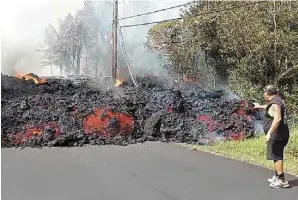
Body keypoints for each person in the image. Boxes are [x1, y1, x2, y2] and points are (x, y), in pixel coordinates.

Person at [253, 85, 290, 188]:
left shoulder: (275, 103)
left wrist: (269, 133)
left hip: (277, 134)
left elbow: (277, 118)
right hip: (280, 133)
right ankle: (277, 175)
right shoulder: (277, 100)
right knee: (275, 154)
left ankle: (282, 180)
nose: (264, 95)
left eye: (264, 93)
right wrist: (260, 106)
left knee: (277, 155)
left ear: (268, 93)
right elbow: (270, 107)